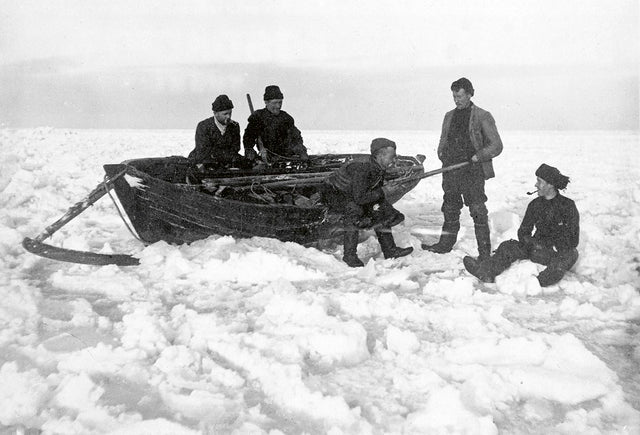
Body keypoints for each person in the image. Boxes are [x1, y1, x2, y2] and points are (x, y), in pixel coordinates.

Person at [423, 77, 503, 261]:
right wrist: (442, 154)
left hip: (472, 170)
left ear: (469, 94)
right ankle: (445, 245)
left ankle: (484, 253)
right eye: (454, 96)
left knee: (477, 210)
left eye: (459, 96)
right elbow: (444, 139)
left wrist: (479, 156)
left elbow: (496, 145)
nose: (456, 100)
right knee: (450, 207)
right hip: (451, 169)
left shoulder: (483, 116)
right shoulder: (449, 116)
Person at [463, 164, 579, 287]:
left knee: (571, 254)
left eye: (539, 181)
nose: (536, 185)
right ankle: (486, 272)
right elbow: (523, 231)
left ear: (550, 184)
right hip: (535, 249)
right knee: (507, 246)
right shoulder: (535, 204)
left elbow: (573, 239)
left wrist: (556, 245)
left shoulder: (568, 206)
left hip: (555, 252)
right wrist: (532, 243)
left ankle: (540, 282)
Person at [321, 138, 413, 267]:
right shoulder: (363, 169)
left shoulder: (376, 165)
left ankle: (390, 250)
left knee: (379, 209)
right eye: (392, 157)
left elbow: (370, 190)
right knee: (354, 210)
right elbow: (360, 198)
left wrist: (383, 193)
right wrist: (385, 191)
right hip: (335, 194)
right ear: (380, 155)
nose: (394, 160)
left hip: (352, 192)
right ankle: (349, 256)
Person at [243, 85, 308, 162]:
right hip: (267, 157)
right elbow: (248, 139)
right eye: (274, 103)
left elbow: (296, 137)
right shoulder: (258, 117)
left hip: (286, 157)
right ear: (266, 102)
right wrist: (250, 151)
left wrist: (300, 150)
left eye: (280, 102)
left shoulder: (286, 118)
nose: (278, 106)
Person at [188, 94, 249, 168]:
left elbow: (235, 148)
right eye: (225, 114)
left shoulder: (234, 126)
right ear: (215, 114)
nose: (228, 116)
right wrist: (224, 157)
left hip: (226, 162)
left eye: (230, 113)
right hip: (204, 162)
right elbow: (203, 151)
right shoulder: (203, 126)